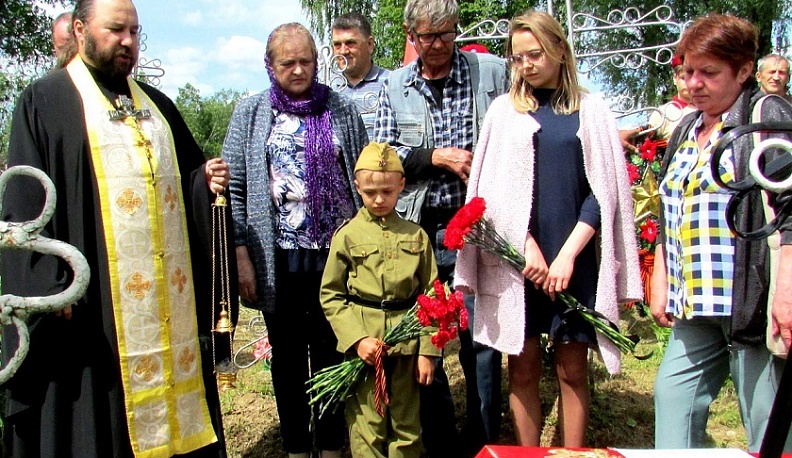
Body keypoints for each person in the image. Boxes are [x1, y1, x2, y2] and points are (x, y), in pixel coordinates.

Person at [1, 0, 235, 456]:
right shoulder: (45, 102)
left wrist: (201, 182)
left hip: (169, 313)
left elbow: (188, 179)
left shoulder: (159, 106)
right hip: (92, 307)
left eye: (134, 32)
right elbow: (24, 206)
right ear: (81, 29)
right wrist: (47, 288)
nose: (128, 42)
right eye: (116, 30)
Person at [455, 10, 642, 447]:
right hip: (519, 264)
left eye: (534, 54)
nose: (525, 65)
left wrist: (568, 254)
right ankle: (528, 455)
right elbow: (492, 191)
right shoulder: (503, 113)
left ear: (559, 49)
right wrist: (525, 248)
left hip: (574, 261)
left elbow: (605, 190)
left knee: (572, 369)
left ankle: (572, 456)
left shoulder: (591, 110)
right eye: (517, 58)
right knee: (521, 369)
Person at [222, 22, 368, 458]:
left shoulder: (340, 108)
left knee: (332, 349)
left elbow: (363, 178)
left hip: (334, 257)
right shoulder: (250, 113)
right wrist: (241, 255)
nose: (299, 70)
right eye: (288, 63)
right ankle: (296, 448)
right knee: (285, 357)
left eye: (307, 61)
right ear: (269, 65)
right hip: (276, 259)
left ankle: (329, 445)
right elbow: (231, 191)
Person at [650, 13, 792, 452]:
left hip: (753, 305)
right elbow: (670, 205)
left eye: (708, 72)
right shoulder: (687, 129)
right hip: (696, 304)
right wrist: (660, 273)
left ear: (744, 70)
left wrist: (787, 290)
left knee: (766, 426)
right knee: (672, 401)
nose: (693, 83)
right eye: (687, 71)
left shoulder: (766, 115)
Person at [373, 0, 509, 455]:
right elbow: (386, 158)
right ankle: (444, 439)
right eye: (427, 37)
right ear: (411, 34)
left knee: (480, 342)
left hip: (480, 233)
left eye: (446, 34)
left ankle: (484, 438)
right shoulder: (394, 86)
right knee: (427, 339)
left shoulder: (489, 73)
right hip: (422, 236)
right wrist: (436, 156)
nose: (437, 46)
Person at [320, 142, 440, 458]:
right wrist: (357, 339)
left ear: (402, 185)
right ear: (357, 186)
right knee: (365, 428)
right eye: (370, 191)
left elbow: (432, 295)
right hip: (365, 350)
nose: (379, 199)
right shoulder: (347, 236)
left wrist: (428, 351)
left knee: (407, 428)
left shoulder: (416, 236)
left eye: (387, 191)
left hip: (407, 347)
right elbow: (331, 294)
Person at [331, 12, 390, 139]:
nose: (343, 51)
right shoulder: (328, 89)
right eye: (337, 45)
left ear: (370, 44)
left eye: (350, 43)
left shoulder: (392, 84)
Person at [647, 54, 696, 141]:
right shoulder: (662, 113)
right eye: (683, 78)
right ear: (674, 78)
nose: (688, 83)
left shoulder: (710, 111)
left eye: (692, 78)